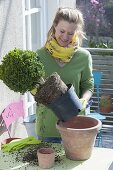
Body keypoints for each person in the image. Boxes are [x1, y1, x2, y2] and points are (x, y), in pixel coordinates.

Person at [33, 7, 94, 142]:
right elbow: (34, 89)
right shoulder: (39, 56)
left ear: (77, 33)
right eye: (62, 31)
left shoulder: (83, 57)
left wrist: (84, 99)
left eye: (71, 33)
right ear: (54, 26)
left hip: (76, 126)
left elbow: (88, 85)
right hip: (47, 128)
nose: (65, 37)